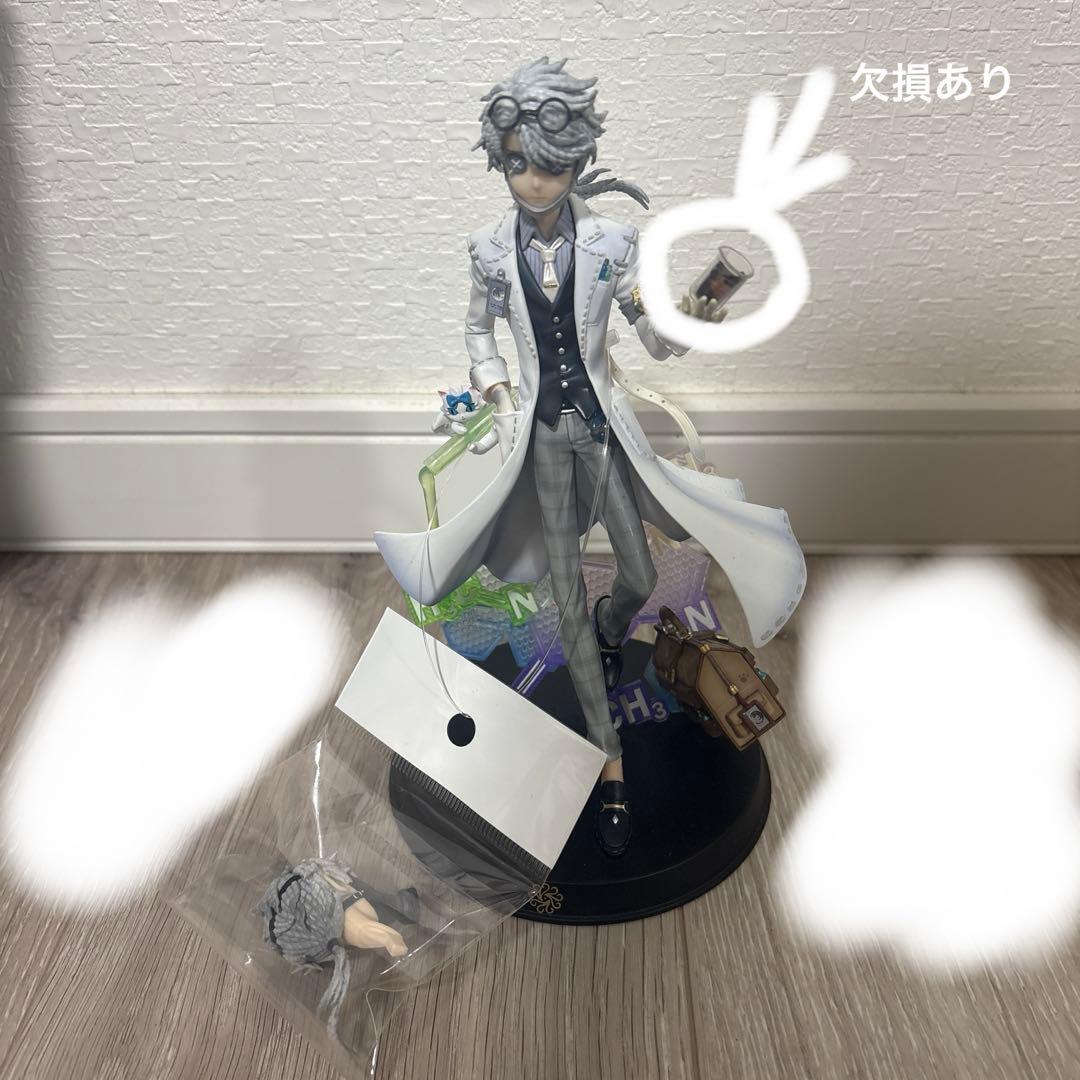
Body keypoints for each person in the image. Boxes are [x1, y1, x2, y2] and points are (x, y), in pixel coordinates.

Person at [375, 57, 805, 857]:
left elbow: (655, 336)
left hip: (601, 432)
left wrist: (700, 306)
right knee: (566, 598)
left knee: (636, 576)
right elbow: (477, 332)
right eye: (517, 163)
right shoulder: (488, 250)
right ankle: (610, 767)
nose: (533, 181)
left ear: (577, 161)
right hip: (539, 438)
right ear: (500, 159)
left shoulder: (614, 241)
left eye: (551, 165)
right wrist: (500, 396)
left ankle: (612, 629)